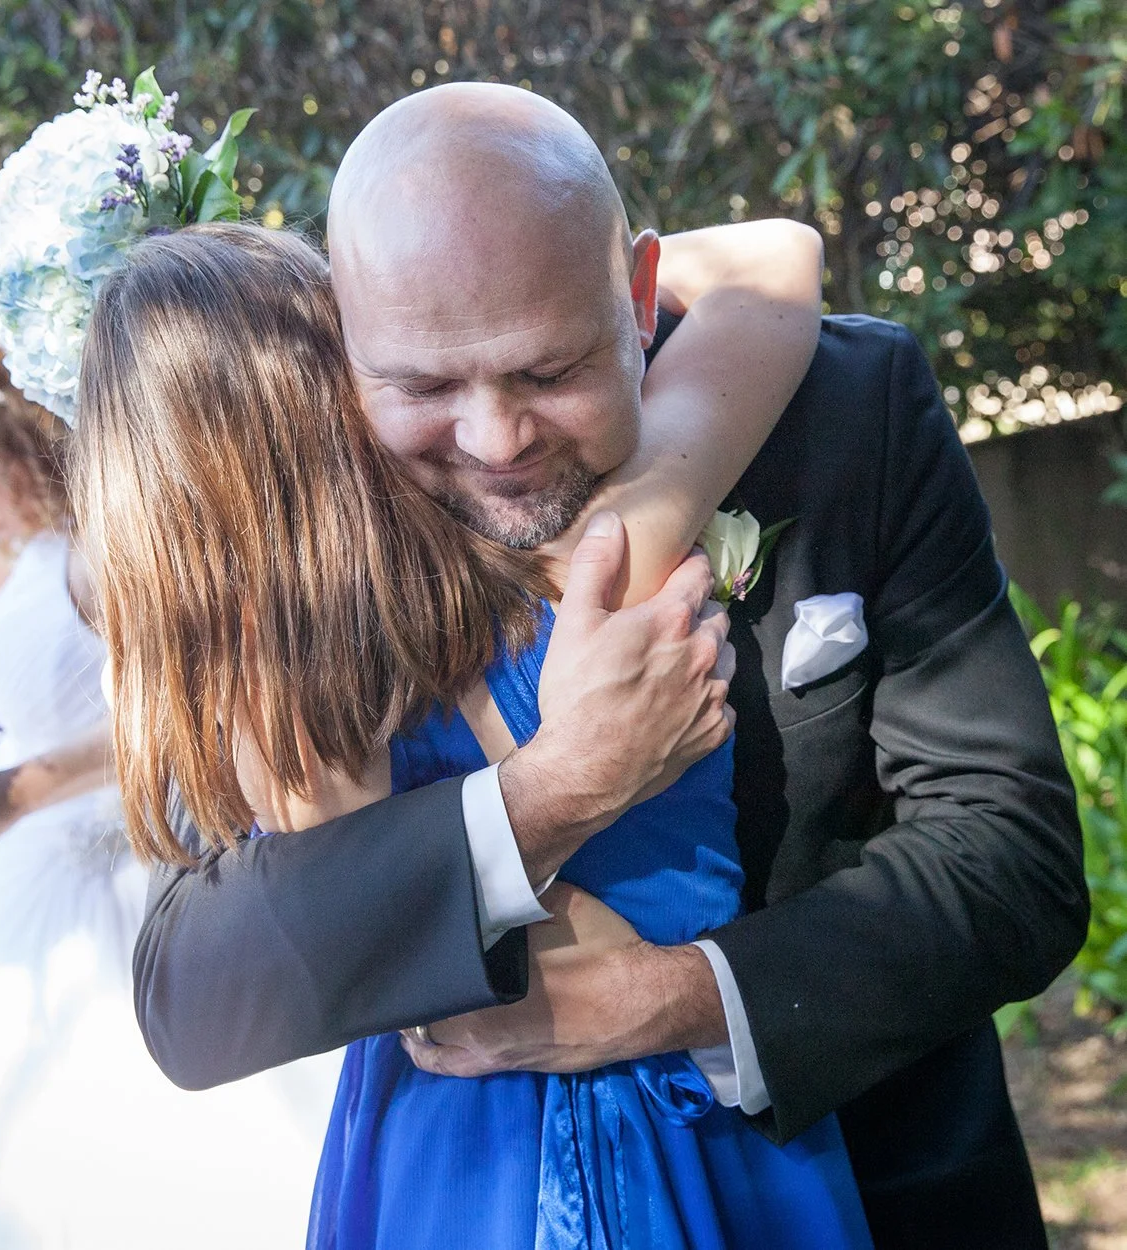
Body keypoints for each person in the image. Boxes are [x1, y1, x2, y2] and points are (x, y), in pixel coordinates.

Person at [132, 85, 1086, 1250]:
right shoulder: (309, 516)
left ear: (637, 296)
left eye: (545, 372)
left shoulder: (846, 410)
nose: (493, 438)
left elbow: (1015, 858)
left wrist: (675, 998)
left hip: (863, 1190)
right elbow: (193, 987)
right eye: (424, 387)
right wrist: (553, 792)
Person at [73, 197, 876, 1247]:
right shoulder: (596, 557)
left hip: (435, 1144)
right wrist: (539, 275)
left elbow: (357, 921)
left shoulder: (269, 704)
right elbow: (778, 257)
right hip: (674, 1126)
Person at [0, 309, 342, 1248]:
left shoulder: (108, 550)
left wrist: (22, 790)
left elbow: (175, 715)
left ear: (16, 435)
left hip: (124, 876)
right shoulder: (21, 566)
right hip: (32, 893)